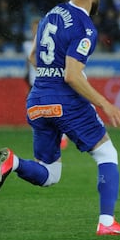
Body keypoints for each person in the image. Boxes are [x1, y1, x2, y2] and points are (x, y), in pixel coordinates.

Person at [0, 0, 120, 236]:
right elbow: (72, 76)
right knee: (106, 153)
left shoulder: (50, 15)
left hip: (37, 100)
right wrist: (106, 104)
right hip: (64, 100)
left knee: (49, 174)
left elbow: (33, 56)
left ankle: (14, 163)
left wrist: (54, 71)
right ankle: (106, 222)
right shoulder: (85, 26)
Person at [22, 18, 69, 150]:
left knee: (55, 109)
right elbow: (28, 65)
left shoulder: (51, 44)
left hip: (48, 82)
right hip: (34, 83)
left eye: (37, 28)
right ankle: (41, 138)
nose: (35, 30)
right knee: (35, 112)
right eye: (33, 28)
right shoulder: (28, 45)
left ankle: (63, 136)